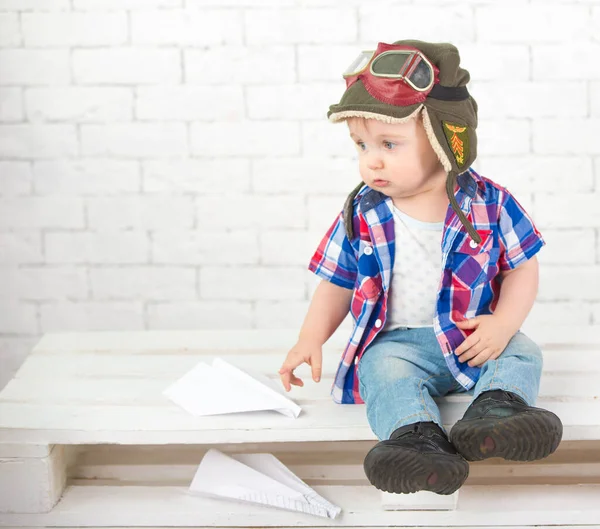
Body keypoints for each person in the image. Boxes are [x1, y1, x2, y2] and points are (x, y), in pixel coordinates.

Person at [278, 40, 562, 496]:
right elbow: (337, 282)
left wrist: (504, 324)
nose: (371, 159)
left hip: (473, 334)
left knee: (523, 351)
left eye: (389, 143)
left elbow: (522, 270)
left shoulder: (490, 203)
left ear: (443, 140)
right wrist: (310, 338)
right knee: (383, 372)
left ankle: (497, 414)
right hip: (398, 343)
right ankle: (417, 442)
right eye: (361, 144)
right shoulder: (363, 213)